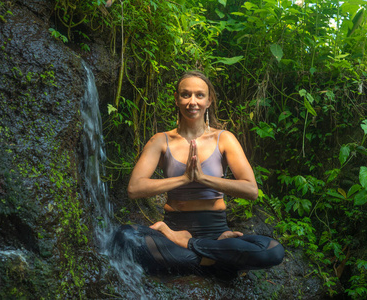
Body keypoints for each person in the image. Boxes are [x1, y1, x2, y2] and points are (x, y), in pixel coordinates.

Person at [109, 71, 284, 277]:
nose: (193, 102)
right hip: (173, 231)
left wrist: (202, 178)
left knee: (273, 250)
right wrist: (183, 179)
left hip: (217, 233)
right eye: (186, 94)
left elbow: (251, 190)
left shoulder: (224, 139)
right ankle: (216, 259)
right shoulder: (160, 140)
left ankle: (192, 246)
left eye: (200, 95)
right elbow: (134, 188)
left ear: (209, 100)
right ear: (176, 99)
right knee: (124, 236)